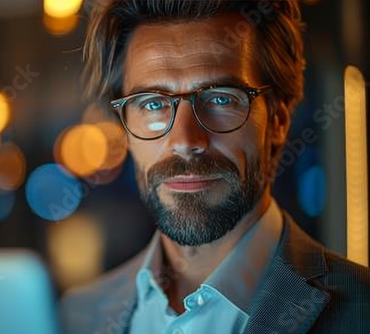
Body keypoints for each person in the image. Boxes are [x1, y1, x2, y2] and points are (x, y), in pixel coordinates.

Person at [60, 1, 370, 333]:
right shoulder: (77, 315)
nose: (185, 140)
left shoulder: (361, 310)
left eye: (221, 98)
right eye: (152, 103)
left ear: (278, 120)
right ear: (124, 129)